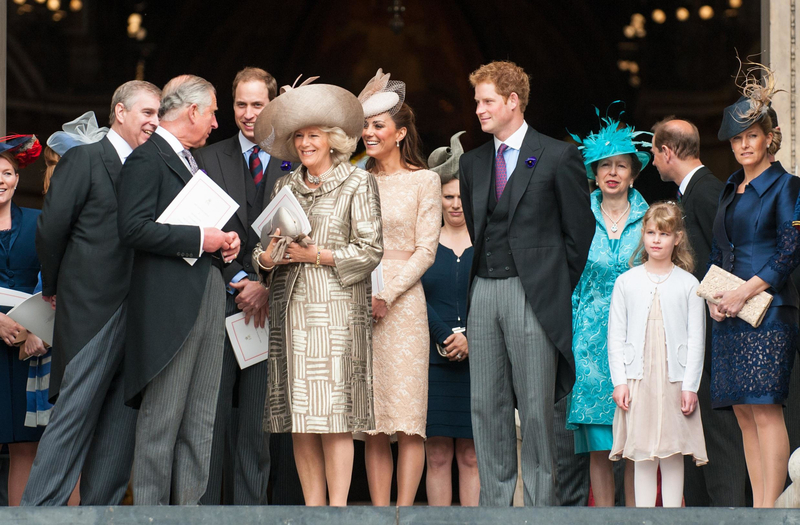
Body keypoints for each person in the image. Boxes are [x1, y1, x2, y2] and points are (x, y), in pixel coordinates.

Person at [459, 60, 593, 506]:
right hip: (483, 291)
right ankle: (494, 510)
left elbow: (580, 235)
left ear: (513, 102)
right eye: (478, 101)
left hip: (532, 294)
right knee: (486, 406)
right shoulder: (474, 162)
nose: (479, 109)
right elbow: (481, 230)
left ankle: (541, 512)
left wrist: (550, 286)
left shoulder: (558, 155)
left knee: (536, 409)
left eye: (487, 101)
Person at [23, 82, 161, 507]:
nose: (155, 122)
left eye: (159, 114)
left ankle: (102, 516)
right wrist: (54, 288)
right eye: (147, 113)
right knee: (73, 418)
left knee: (120, 427)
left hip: (139, 312)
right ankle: (37, 515)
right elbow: (51, 228)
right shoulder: (84, 158)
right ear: (119, 112)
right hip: (90, 310)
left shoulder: (152, 166)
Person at [252, 76, 382, 506]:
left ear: (333, 140)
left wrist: (315, 255)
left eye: (314, 135)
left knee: (335, 416)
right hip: (290, 314)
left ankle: (339, 511)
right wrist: (268, 260)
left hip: (336, 313)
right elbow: (263, 250)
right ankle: (313, 510)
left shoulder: (357, 183)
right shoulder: (284, 186)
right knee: (300, 419)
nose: (305, 143)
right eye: (299, 137)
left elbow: (370, 251)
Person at [117, 75, 240, 505]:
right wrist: (197, 239)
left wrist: (223, 241)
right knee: (163, 417)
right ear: (192, 112)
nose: (215, 122)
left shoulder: (193, 160)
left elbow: (196, 223)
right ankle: (151, 515)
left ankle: (189, 511)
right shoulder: (146, 159)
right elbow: (132, 229)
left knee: (201, 416)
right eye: (212, 112)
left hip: (208, 288)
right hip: (169, 303)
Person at [194, 67, 291, 506]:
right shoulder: (208, 158)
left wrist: (266, 286)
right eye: (241, 105)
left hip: (273, 306)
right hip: (220, 300)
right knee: (207, 420)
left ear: (273, 104)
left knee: (257, 424)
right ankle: (206, 512)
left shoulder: (296, 157)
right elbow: (196, 226)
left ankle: (253, 514)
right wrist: (239, 281)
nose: (249, 114)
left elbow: (306, 234)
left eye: (258, 104)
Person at [709, 65, 800, 508]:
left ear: (769, 138)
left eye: (752, 136)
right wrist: (714, 300)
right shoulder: (730, 190)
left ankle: (769, 509)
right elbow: (717, 254)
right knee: (744, 413)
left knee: (765, 408)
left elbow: (788, 252)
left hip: (770, 309)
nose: (744, 145)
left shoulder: (788, 186)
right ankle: (756, 512)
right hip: (729, 312)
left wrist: (745, 292)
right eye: (737, 139)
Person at [651, 117, 748, 507]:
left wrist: (714, 302)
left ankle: (728, 513)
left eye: (654, 154)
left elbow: (732, 261)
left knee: (718, 432)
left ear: (667, 152)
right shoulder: (693, 194)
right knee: (699, 431)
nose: (653, 163)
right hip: (697, 337)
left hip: (718, 334)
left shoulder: (708, 193)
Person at [358, 68, 441, 506]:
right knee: (372, 420)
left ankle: (405, 513)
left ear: (400, 132)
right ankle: (376, 512)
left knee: (408, 417)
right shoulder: (356, 180)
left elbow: (426, 251)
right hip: (358, 297)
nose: (369, 133)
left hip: (404, 305)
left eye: (377, 126)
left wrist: (387, 294)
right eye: (366, 126)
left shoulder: (424, 180)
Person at [566, 112, 650, 506]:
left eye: (620, 165)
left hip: (640, 336)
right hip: (589, 338)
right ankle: (603, 515)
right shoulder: (578, 216)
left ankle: (635, 514)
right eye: (604, 166)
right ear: (594, 174)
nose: (612, 172)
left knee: (635, 436)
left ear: (633, 173)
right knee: (599, 440)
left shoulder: (650, 219)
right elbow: (569, 277)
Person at [608, 201, 708, 508]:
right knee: (642, 452)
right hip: (638, 379)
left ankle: (673, 517)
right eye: (650, 232)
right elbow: (616, 334)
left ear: (677, 238)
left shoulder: (689, 284)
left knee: (673, 450)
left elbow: (696, 340)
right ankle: (644, 517)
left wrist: (690, 386)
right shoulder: (627, 282)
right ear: (643, 234)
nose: (655, 239)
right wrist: (620, 381)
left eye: (663, 234)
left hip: (674, 381)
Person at [422, 131, 479, 507]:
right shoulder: (424, 241)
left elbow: (495, 292)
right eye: (448, 196)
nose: (456, 204)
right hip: (431, 359)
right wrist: (444, 334)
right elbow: (411, 292)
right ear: (437, 198)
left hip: (479, 358)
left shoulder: (487, 241)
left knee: (473, 456)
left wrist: (472, 336)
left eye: (461, 196)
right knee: (438, 455)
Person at [0, 135, 45, 506]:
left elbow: (56, 281)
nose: (1, 180)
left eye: (7, 172)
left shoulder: (39, 222)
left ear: (17, 179)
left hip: (24, 349)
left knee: (23, 445)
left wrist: (37, 329)